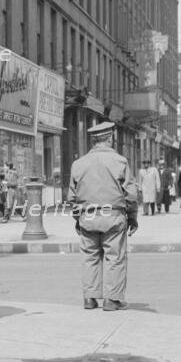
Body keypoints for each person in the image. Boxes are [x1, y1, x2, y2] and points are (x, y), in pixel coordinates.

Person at [68, 121, 138, 311]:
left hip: (87, 217)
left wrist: (78, 219)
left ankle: (90, 298)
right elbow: (130, 195)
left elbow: (72, 197)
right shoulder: (120, 161)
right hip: (113, 216)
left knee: (89, 257)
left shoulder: (78, 164)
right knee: (114, 257)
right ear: (110, 138)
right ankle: (112, 299)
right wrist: (132, 217)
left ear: (93, 141)